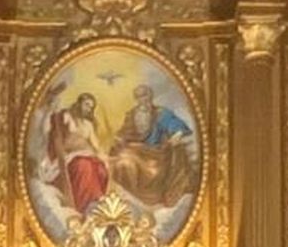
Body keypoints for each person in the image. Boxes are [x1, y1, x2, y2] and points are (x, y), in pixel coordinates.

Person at [108, 82, 196, 212]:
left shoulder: (161, 113)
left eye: (145, 96)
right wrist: (119, 138)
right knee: (121, 160)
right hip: (136, 149)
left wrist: (177, 134)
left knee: (131, 160)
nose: (143, 99)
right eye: (139, 97)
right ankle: (128, 197)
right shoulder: (132, 114)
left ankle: (146, 199)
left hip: (156, 152)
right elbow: (125, 132)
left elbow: (176, 126)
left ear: (150, 97)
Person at [41, 89, 109, 215]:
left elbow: (96, 145)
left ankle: (96, 199)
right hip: (69, 157)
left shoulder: (88, 124)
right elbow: (56, 129)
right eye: (87, 104)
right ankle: (84, 203)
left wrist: (104, 157)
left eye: (91, 107)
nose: (89, 108)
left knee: (101, 169)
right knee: (84, 166)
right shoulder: (68, 116)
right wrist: (56, 114)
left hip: (86, 155)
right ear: (79, 103)